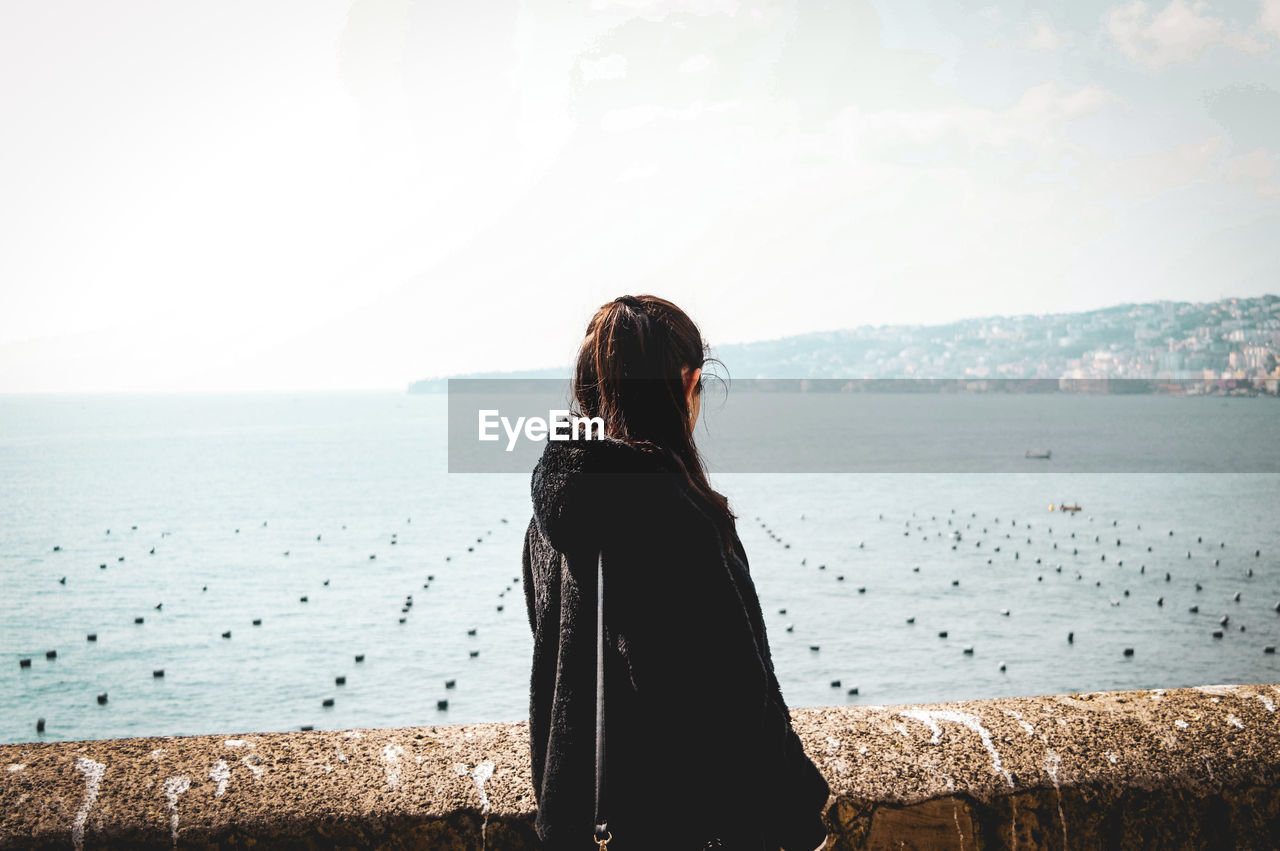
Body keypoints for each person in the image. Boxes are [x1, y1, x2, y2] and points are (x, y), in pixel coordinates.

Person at [521, 295, 831, 850]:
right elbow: (733, 703)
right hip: (684, 828)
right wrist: (799, 814)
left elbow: (558, 669)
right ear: (688, 383)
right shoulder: (673, 518)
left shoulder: (546, 520)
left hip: (580, 825)